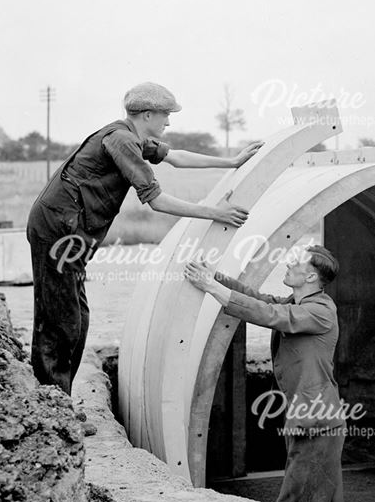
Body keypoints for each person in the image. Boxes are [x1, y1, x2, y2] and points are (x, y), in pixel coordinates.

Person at [26, 82, 262, 395]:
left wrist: (231, 162)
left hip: (69, 231)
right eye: (165, 115)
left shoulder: (132, 137)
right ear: (148, 114)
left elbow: (176, 157)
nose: (168, 122)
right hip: (59, 229)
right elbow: (157, 200)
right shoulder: (122, 140)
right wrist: (213, 212)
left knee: (75, 315)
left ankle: (55, 398)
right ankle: (52, 404)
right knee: (62, 319)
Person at [184, 245, 348, 502]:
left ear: (310, 278)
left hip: (318, 421)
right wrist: (215, 278)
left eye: (296, 262)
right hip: (311, 419)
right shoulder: (295, 303)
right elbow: (258, 299)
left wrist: (211, 288)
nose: (288, 263)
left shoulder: (321, 311)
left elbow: (268, 314)